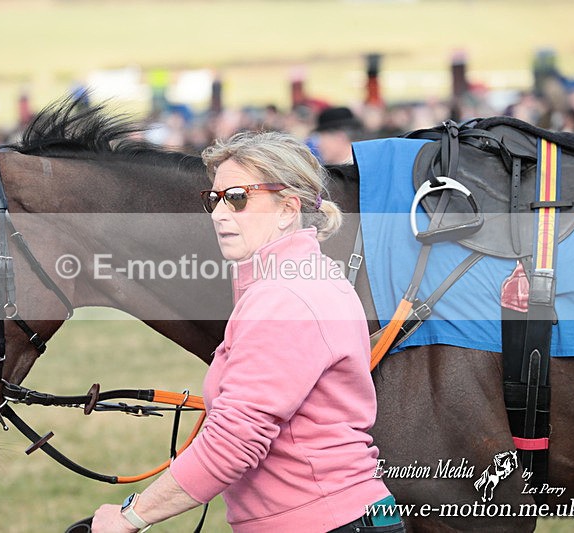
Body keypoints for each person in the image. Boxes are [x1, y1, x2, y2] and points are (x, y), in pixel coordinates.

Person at [91, 131, 403, 532]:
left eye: (237, 198)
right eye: (215, 199)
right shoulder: (304, 278)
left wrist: (129, 517)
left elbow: (233, 443)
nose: (219, 214)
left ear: (287, 209)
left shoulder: (285, 296)